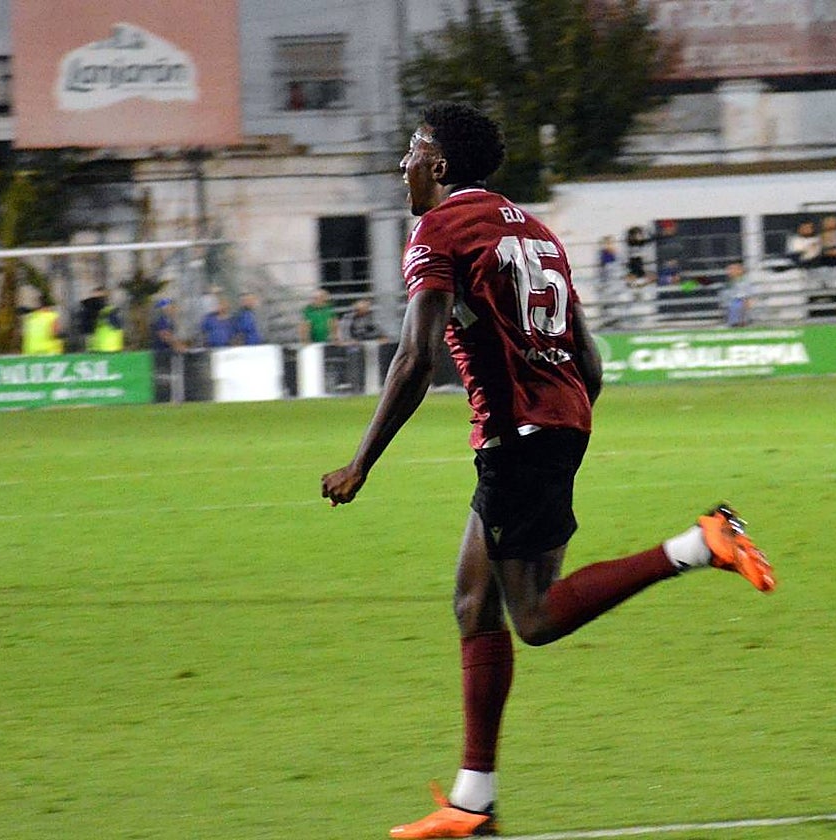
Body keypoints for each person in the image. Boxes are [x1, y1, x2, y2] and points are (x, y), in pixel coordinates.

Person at [320, 102, 776, 840]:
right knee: (474, 602)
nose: (400, 164)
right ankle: (473, 803)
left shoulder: (436, 229)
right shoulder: (534, 229)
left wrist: (361, 461)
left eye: (410, 150)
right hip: (554, 424)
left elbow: (415, 357)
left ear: (438, 166)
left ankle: (701, 543)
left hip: (520, 435)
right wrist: (558, 421)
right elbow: (589, 357)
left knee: (531, 616)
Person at [721, 261, 753, 327]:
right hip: (731, 308)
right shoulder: (730, 282)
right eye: (728, 269)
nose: (729, 271)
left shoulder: (743, 282)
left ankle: (739, 323)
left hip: (738, 308)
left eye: (732, 269)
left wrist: (743, 316)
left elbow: (746, 298)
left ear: (740, 270)